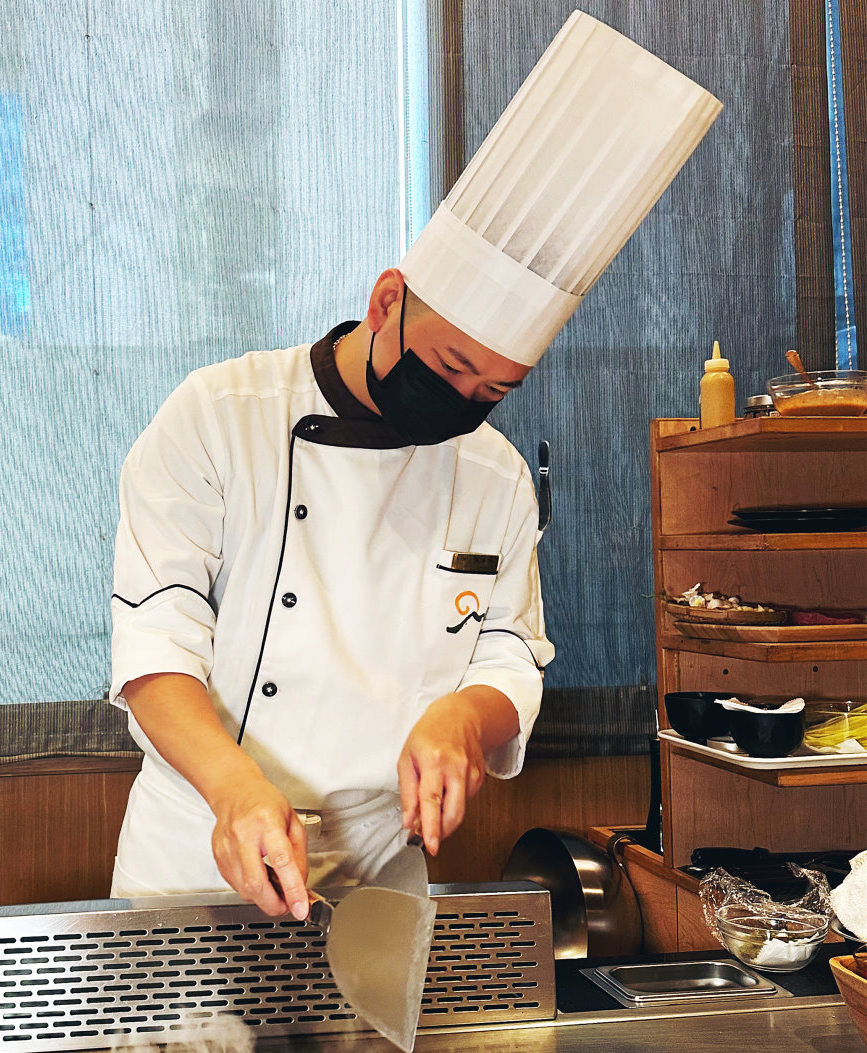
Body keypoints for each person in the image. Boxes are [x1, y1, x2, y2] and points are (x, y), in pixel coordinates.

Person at [107, 12, 721, 921]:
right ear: (387, 299)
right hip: (200, 850)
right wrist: (235, 790)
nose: (463, 401)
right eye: (448, 369)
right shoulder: (218, 416)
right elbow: (155, 645)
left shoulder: (497, 476)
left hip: (380, 880)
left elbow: (512, 651)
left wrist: (466, 718)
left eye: (494, 388)